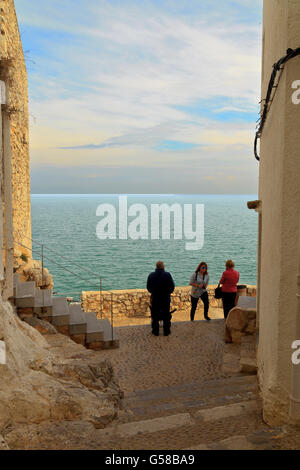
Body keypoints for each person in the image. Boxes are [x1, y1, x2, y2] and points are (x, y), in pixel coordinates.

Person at [147, 261, 175, 336]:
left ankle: (155, 331)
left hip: (155, 299)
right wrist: (167, 293)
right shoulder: (168, 275)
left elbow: (148, 288)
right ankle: (166, 331)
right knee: (166, 315)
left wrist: (154, 293)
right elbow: (172, 287)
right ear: (163, 266)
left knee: (155, 316)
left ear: (156, 266)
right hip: (165, 299)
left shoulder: (151, 275)